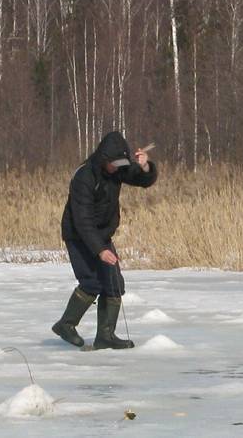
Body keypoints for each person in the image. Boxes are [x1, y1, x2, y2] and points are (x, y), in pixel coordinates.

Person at [53, 131, 157, 350]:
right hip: (79, 235)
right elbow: (82, 221)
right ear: (103, 159)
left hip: (101, 234)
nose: (117, 168)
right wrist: (100, 250)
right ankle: (66, 324)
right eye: (113, 164)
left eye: (121, 163)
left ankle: (105, 336)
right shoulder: (84, 176)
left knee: (114, 284)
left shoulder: (117, 169)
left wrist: (145, 167)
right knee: (92, 282)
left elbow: (142, 180)